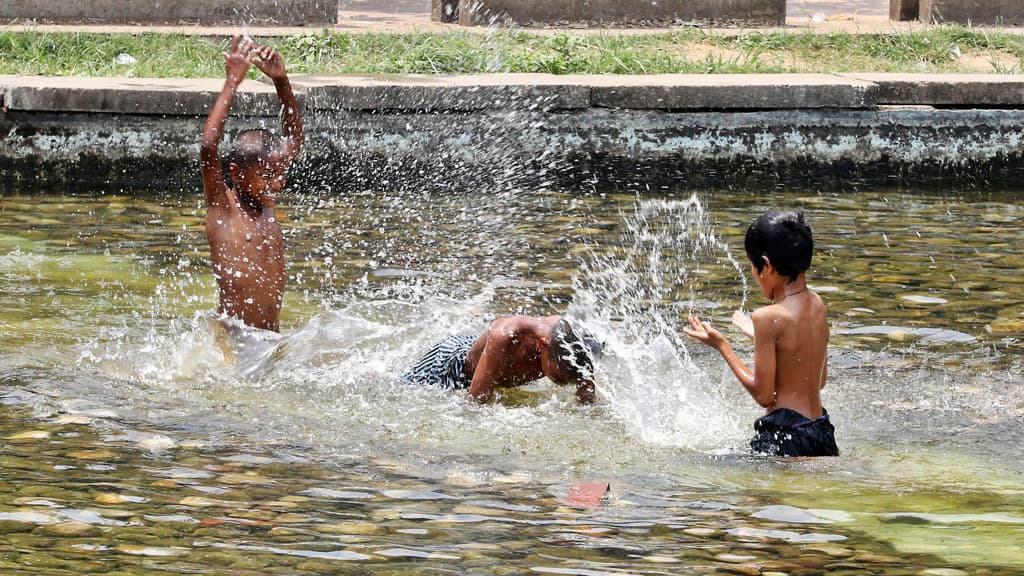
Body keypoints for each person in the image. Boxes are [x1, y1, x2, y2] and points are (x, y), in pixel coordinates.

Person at [683, 211, 838, 457]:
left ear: (766, 265)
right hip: (821, 431)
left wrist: (721, 345)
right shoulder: (817, 304)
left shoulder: (767, 317)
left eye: (753, 269)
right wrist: (759, 337)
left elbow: (764, 395)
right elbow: (818, 379)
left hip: (786, 436)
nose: (755, 277)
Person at [200, 36, 304, 332]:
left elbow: (293, 139)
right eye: (268, 177)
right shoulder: (224, 210)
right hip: (234, 342)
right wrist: (232, 81)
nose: (278, 184)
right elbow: (209, 147)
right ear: (236, 172)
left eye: (281, 174)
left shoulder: (265, 206)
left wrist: (281, 81)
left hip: (269, 340)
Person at [403, 315, 602, 404]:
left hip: (488, 350)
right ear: (542, 346)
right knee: (402, 390)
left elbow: (587, 393)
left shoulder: (575, 345)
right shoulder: (507, 336)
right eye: (558, 378)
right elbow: (474, 402)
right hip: (450, 363)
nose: (561, 384)